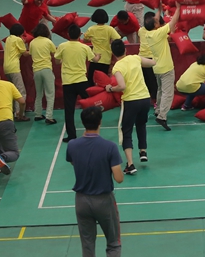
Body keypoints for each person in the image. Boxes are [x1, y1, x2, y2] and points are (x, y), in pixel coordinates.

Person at [67, 106, 124, 257]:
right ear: (100, 122)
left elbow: (74, 162)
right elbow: (119, 178)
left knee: (87, 245)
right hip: (103, 201)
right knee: (113, 243)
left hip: (81, 201)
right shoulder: (110, 147)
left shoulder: (72, 145)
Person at [107, 39, 155, 174]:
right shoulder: (135, 58)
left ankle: (130, 164)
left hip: (131, 101)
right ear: (125, 49)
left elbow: (122, 86)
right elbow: (152, 63)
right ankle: (143, 151)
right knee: (141, 124)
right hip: (145, 99)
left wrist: (111, 89)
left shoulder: (117, 67)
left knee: (126, 131)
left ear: (113, 53)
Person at [56, 24, 101, 142]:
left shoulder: (62, 46)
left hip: (68, 82)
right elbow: (94, 60)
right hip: (82, 81)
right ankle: (94, 129)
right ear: (80, 34)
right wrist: (98, 55)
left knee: (69, 110)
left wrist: (62, 60)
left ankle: (71, 135)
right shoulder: (84, 47)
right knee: (90, 106)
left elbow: (56, 61)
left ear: (68, 35)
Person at [140, 4, 181, 131]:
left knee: (160, 90)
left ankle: (158, 110)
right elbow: (173, 22)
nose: (159, 21)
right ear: (155, 26)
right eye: (157, 21)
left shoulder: (147, 33)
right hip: (166, 68)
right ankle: (162, 116)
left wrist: (159, 8)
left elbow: (155, 20)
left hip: (157, 67)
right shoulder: (159, 33)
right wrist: (178, 8)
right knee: (168, 94)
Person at [84, 9, 121, 86]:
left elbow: (85, 39)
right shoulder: (109, 29)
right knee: (103, 80)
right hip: (106, 58)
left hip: (94, 57)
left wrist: (91, 39)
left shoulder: (91, 29)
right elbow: (118, 39)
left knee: (90, 79)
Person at [30, 23, 57, 124]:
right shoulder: (48, 42)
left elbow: (31, 53)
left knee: (39, 93)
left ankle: (38, 114)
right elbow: (55, 54)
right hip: (46, 69)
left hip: (36, 70)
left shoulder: (32, 42)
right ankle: (49, 116)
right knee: (50, 93)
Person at [3, 24, 30, 121]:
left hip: (6, 68)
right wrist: (34, 50)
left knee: (13, 92)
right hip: (14, 68)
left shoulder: (9, 39)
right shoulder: (18, 40)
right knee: (20, 92)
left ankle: (14, 112)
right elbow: (25, 54)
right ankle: (19, 114)